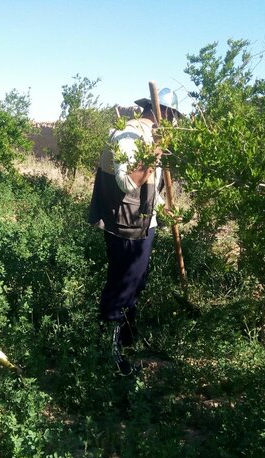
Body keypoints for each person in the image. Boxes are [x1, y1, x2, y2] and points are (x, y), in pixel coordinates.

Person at [88, 88, 181, 376]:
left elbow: (153, 182)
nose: (176, 124)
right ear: (164, 114)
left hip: (144, 224)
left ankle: (128, 344)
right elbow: (127, 183)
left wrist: (164, 205)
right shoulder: (128, 137)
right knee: (121, 287)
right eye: (175, 117)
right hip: (125, 225)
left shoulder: (152, 138)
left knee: (136, 284)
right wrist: (153, 154)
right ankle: (109, 357)